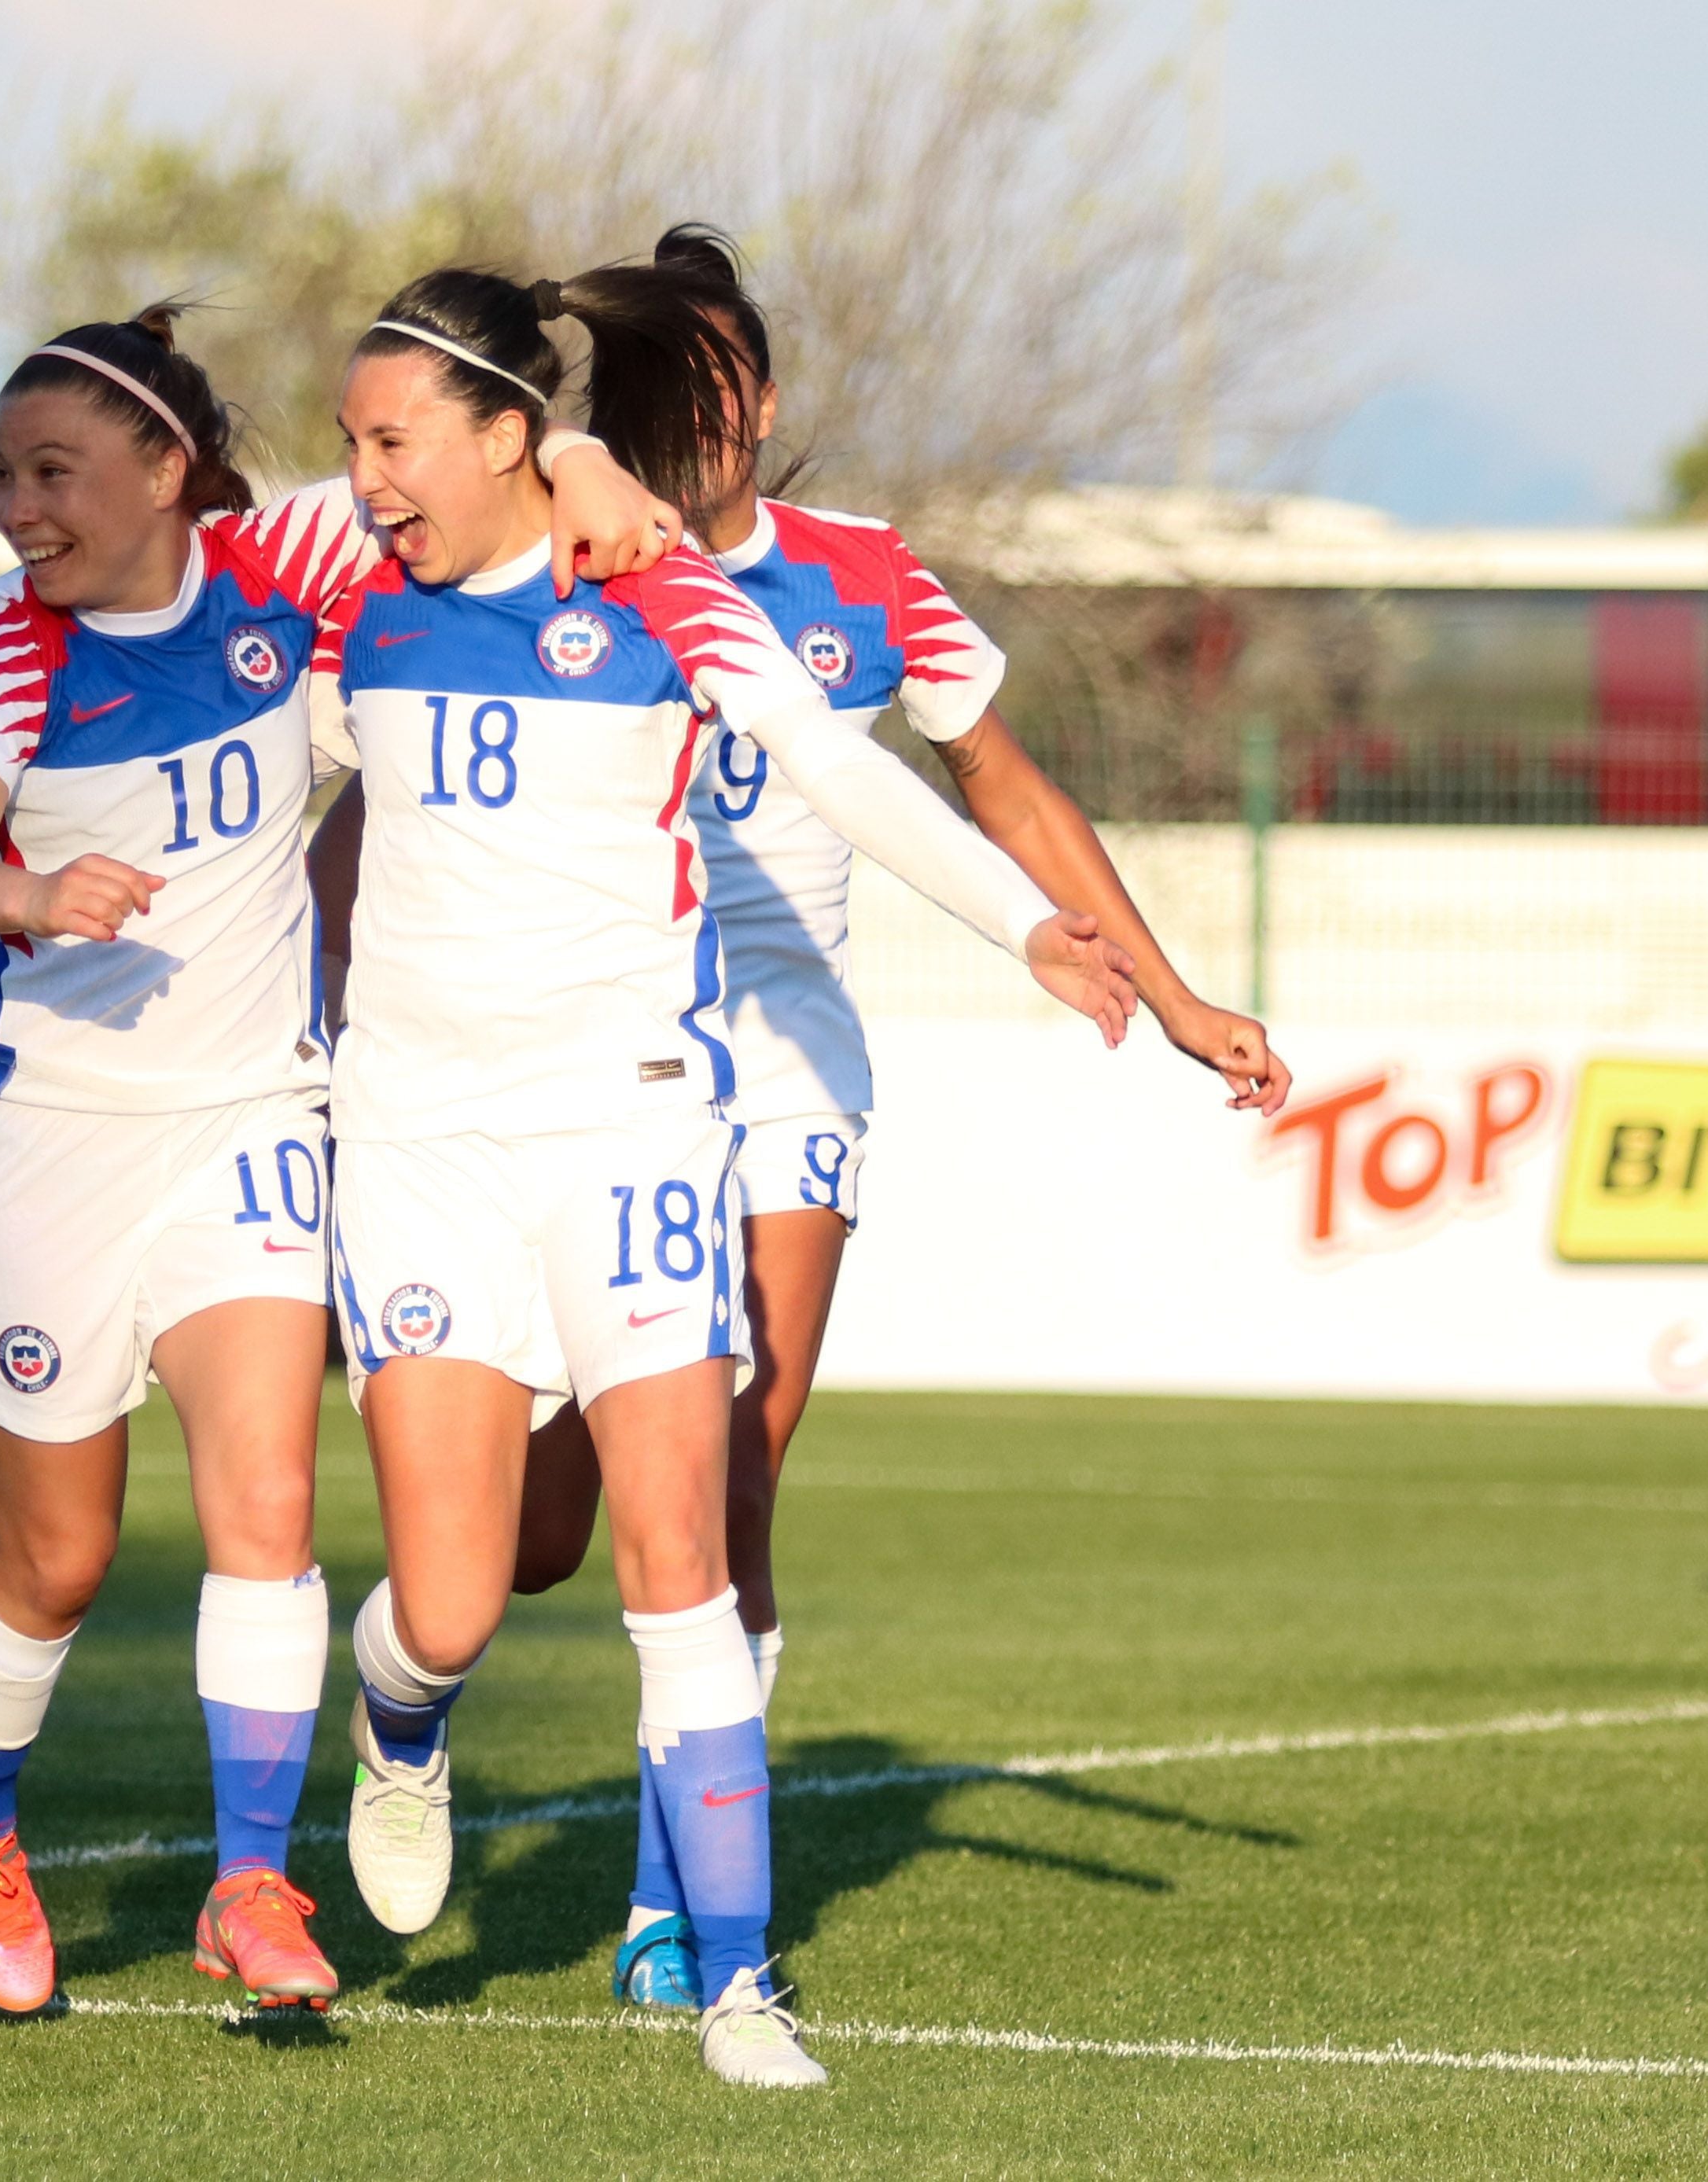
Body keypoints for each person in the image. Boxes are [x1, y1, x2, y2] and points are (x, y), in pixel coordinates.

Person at [401, 230, 1293, 2019]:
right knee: (547, 1531)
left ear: (763, 402)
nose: (699, 414)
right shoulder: (556, 559)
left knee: (740, 1456)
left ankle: (678, 1914)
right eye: (673, 384)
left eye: (724, 383)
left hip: (786, 1050)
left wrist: (1172, 992)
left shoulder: (871, 579)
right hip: (591, 1048)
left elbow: (997, 778)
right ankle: (402, 1672)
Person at [0, 304, 677, 2018]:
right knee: (61, 1563)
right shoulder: (4, 644)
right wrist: (25, 891)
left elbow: (477, 455)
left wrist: (592, 457)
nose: (21, 511)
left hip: (251, 1120)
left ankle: (250, 1879)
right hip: (44, 1145)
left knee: (264, 1517)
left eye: (56, 473)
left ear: (167, 470)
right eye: (2, 477)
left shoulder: (282, 563)